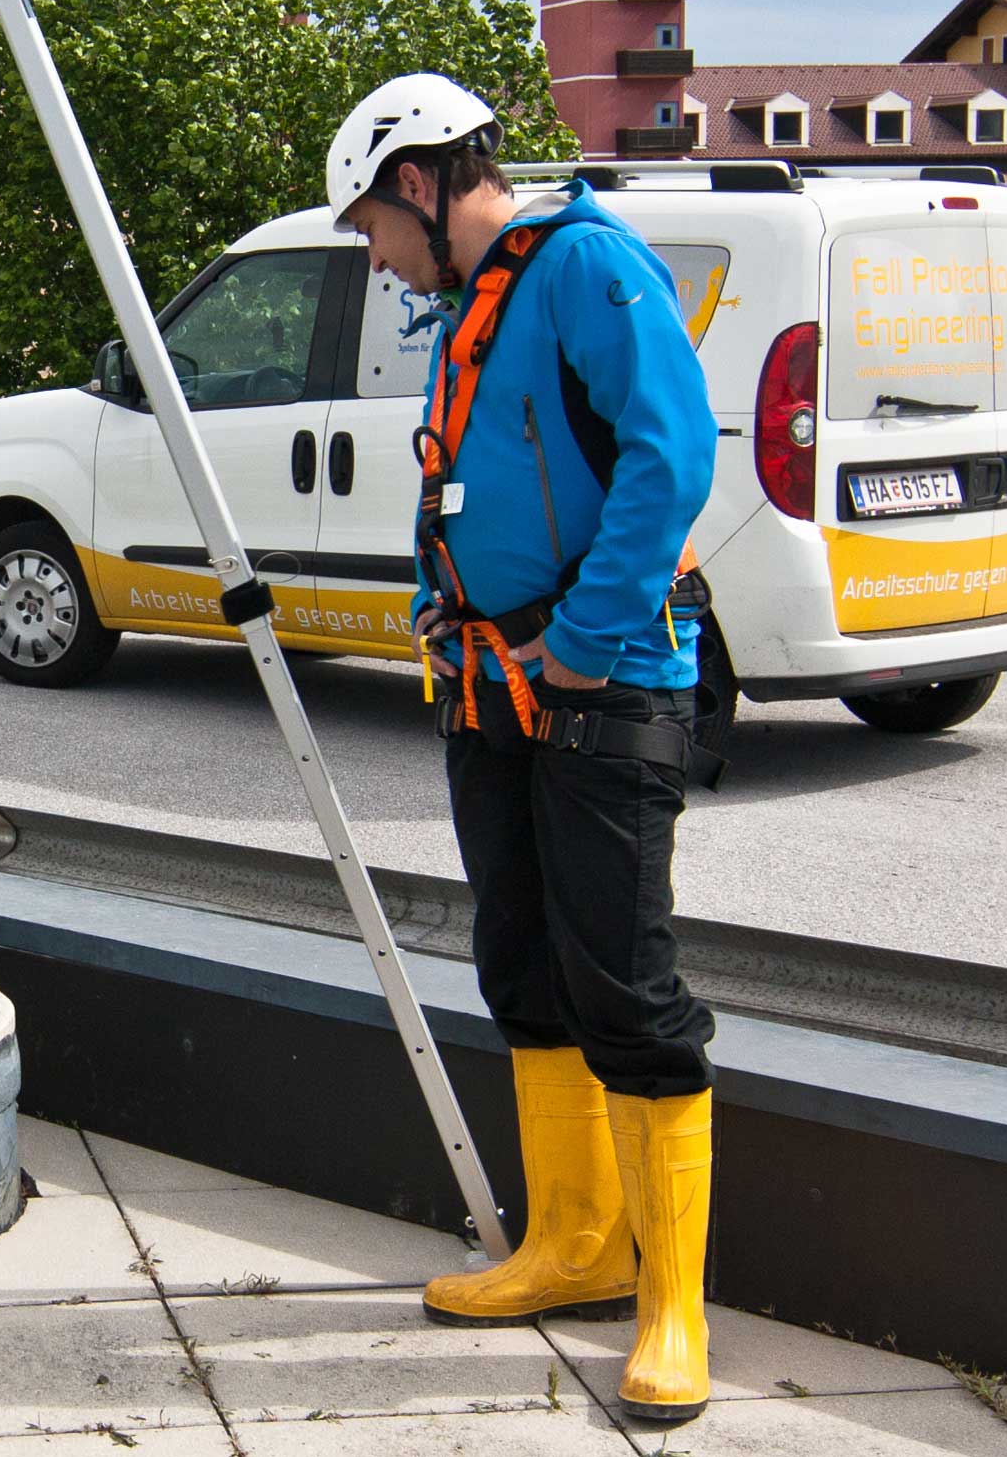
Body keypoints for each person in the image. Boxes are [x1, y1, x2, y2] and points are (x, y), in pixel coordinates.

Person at [325, 74, 721, 1422]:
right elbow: (467, 480)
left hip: (597, 689)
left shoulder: (587, 269)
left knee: (625, 982)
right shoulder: (465, 308)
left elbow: (669, 462)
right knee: (523, 961)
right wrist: (443, 610)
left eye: (372, 223)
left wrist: (584, 643)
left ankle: (672, 1304)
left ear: (423, 183)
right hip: (493, 689)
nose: (372, 253)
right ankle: (574, 1244)